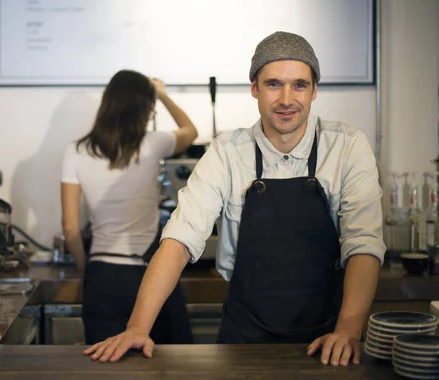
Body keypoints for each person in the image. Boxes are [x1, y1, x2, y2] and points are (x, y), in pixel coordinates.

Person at [84, 32, 386, 366]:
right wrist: (138, 326)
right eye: (274, 84)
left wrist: (348, 330)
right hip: (243, 342)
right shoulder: (227, 152)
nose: (287, 98)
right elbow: (180, 238)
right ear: (254, 88)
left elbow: (363, 244)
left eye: (299, 85)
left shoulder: (347, 147)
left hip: (330, 342)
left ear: (314, 90)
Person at [61, 69, 198, 345]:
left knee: (106, 364)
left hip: (102, 277)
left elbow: (71, 228)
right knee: (167, 365)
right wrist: (162, 94)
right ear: (145, 109)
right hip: (150, 274)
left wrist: (87, 270)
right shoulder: (153, 144)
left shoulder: (75, 150)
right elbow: (190, 131)